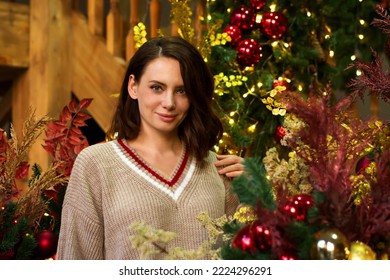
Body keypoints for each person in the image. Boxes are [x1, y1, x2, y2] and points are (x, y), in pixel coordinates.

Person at [56, 36, 244, 260]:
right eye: (157, 88)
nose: (169, 102)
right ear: (133, 86)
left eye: (182, 91)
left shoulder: (218, 168)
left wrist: (258, 191)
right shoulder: (95, 164)